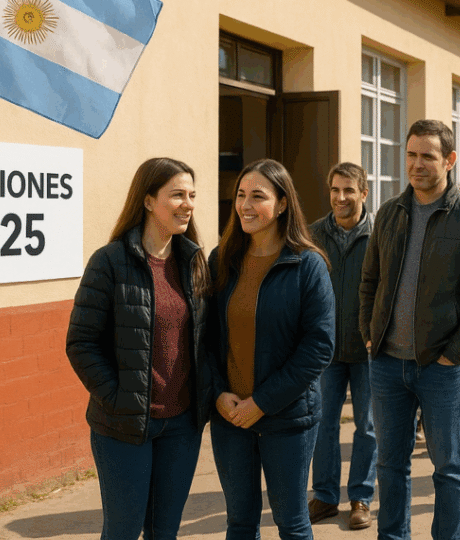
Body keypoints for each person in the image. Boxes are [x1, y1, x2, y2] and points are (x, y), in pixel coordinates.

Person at [360, 119, 460, 540]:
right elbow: (369, 282)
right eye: (411, 154)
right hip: (386, 364)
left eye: (428, 156)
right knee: (390, 466)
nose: (417, 164)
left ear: (450, 161)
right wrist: (370, 333)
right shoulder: (389, 212)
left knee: (450, 469)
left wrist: (454, 353)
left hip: (442, 367)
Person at [66, 157, 212, 540]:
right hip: (125, 425)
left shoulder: (193, 262)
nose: (188, 204)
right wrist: (117, 398)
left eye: (192, 195)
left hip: (182, 425)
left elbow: (205, 340)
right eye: (177, 194)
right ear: (148, 201)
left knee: (164, 533)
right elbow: (81, 343)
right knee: (123, 532)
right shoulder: (110, 262)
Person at [207, 158, 335, 540]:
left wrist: (261, 402)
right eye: (240, 195)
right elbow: (206, 340)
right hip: (230, 417)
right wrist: (218, 396)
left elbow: (319, 346)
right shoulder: (222, 261)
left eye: (257, 196)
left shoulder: (307, 264)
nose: (245, 205)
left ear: (282, 204)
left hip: (286, 417)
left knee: (291, 523)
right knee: (240, 523)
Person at [307, 162, 377, 530]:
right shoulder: (314, 234)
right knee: (323, 425)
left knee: (367, 426)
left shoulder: (381, 233)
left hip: (369, 351)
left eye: (349, 190)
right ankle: (325, 496)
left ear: (364, 193)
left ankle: (361, 498)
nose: (340, 197)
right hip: (326, 352)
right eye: (335, 189)